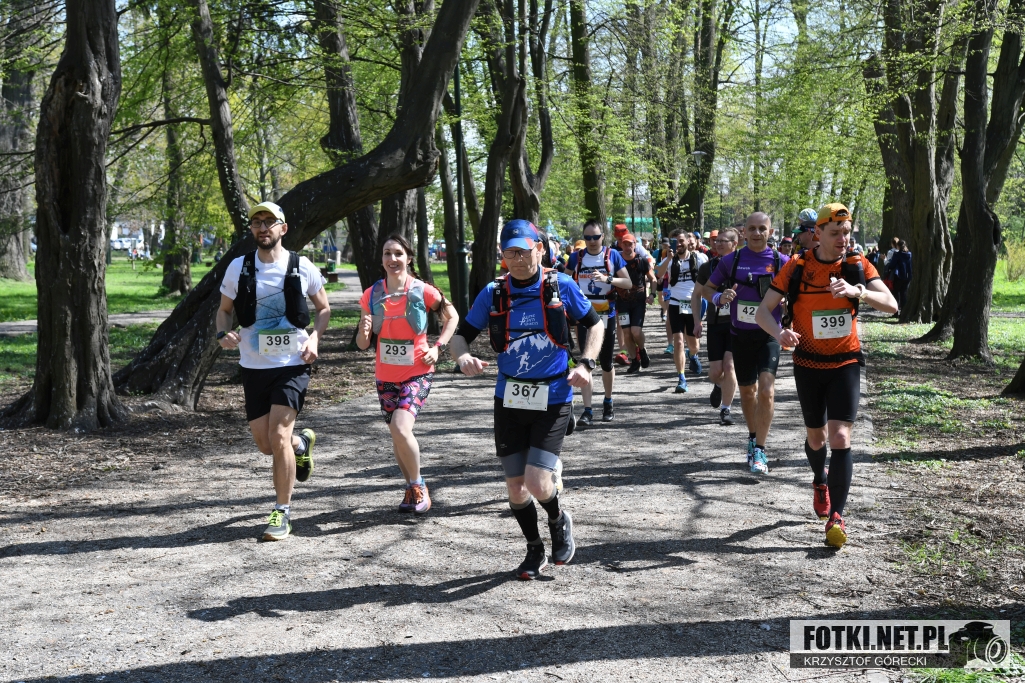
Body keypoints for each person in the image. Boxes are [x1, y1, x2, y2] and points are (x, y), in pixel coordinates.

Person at [450, 219, 602, 579]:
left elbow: (595, 324)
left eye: (523, 251)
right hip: (509, 396)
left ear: (540, 250)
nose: (517, 259)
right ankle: (534, 549)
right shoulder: (493, 292)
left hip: (554, 394)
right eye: (510, 253)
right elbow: (461, 335)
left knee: (536, 481)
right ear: (502, 255)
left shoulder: (560, 285)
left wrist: (587, 363)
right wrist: (462, 356)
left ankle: (557, 519)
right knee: (516, 487)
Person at [757, 202, 897, 548]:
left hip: (845, 362)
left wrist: (858, 291)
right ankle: (820, 479)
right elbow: (762, 312)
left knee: (840, 436)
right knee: (817, 439)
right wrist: (780, 333)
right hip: (808, 363)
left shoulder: (856, 264)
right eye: (835, 233)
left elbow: (892, 305)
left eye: (846, 232)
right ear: (817, 233)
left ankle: (836, 517)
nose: (842, 239)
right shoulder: (796, 267)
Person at [217, 201, 330, 541]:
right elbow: (224, 311)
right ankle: (301, 444)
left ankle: (282, 512)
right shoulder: (238, 267)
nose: (263, 227)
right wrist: (223, 333)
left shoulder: (302, 266)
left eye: (270, 221)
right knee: (266, 444)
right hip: (254, 366)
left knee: (278, 436)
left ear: (283, 228)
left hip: (293, 364)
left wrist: (315, 337)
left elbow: (323, 308)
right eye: (257, 222)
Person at [356, 234, 459, 514]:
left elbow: (452, 316)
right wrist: (364, 331)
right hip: (385, 374)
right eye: (387, 253)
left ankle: (418, 485)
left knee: (401, 427)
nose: (392, 259)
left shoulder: (422, 290)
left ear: (409, 258)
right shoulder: (371, 294)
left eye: (398, 253)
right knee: (397, 434)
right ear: (381, 259)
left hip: (418, 371)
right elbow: (363, 344)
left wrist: (438, 347)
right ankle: (411, 489)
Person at [706, 212, 788, 474]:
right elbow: (706, 289)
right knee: (748, 392)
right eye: (751, 228)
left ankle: (761, 449)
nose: (756, 233)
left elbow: (798, 293)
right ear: (744, 232)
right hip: (740, 336)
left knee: (766, 390)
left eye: (762, 228)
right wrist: (719, 297)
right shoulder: (731, 260)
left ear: (770, 232)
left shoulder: (781, 261)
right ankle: (753, 438)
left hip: (769, 335)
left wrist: (788, 305)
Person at [566, 220, 631, 424]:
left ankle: (608, 401)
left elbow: (628, 283)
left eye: (596, 237)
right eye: (588, 238)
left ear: (603, 236)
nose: (592, 241)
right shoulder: (576, 257)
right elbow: (563, 282)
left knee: (606, 362)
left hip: (606, 314)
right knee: (586, 361)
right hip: (584, 315)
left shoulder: (613, 256)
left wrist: (607, 279)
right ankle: (587, 410)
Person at [693, 227, 739, 425]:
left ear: (734, 244)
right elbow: (696, 295)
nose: (718, 244)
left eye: (723, 241)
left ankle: (726, 409)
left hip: (736, 324)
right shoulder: (708, 267)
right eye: (716, 240)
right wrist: (697, 320)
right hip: (715, 323)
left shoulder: (743, 265)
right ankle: (719, 386)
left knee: (729, 366)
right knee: (715, 373)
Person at [656, 230, 708, 392]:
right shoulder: (669, 260)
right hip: (675, 304)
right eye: (674, 241)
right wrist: (668, 258)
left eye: (680, 241)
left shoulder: (699, 258)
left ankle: (692, 355)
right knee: (678, 341)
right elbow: (658, 274)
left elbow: (709, 278)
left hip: (693, 304)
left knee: (694, 345)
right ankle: (681, 377)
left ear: (687, 241)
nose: (678, 244)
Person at [614, 233, 657, 373]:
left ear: (635, 245)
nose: (627, 247)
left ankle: (642, 350)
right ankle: (634, 361)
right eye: (625, 244)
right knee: (627, 333)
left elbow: (653, 279)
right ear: (621, 245)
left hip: (638, 302)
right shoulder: (616, 261)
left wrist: (652, 294)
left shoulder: (641, 261)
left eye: (630, 244)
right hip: (622, 302)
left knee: (636, 331)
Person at [886, 239, 912, 315]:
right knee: (903, 293)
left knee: (896, 293)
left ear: (898, 246)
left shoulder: (897, 254)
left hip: (898, 276)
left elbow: (892, 265)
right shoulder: (909, 254)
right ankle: (903, 312)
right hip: (907, 276)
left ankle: (896, 312)